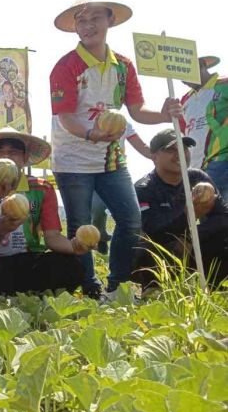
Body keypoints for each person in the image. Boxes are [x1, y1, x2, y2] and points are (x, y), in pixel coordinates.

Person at [50, 0, 183, 297]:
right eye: (81, 20)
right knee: (81, 228)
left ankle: (117, 285)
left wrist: (164, 114)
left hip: (112, 159)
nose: (88, 25)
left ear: (110, 19)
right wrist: (90, 134)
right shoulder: (65, 66)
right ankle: (90, 285)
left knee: (131, 220)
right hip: (72, 160)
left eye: (96, 17)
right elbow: (66, 117)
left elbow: (137, 110)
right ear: (75, 27)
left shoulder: (123, 66)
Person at [0, 128, 88, 295]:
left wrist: (75, 247)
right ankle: (27, 292)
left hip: (32, 259)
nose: (6, 157)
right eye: (0, 152)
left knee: (71, 266)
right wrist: (2, 229)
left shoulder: (42, 188)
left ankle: (23, 292)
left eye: (14, 152)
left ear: (24, 158)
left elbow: (52, 238)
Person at [133, 128, 228, 289]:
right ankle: (155, 291)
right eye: (171, 149)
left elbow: (223, 217)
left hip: (191, 245)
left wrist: (191, 236)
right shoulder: (144, 188)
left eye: (184, 148)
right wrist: (187, 214)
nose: (180, 154)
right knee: (146, 248)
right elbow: (152, 230)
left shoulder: (198, 178)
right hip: (162, 251)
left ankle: (215, 288)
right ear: (154, 156)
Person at [92, 122, 152, 254]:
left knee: (128, 215)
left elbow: (142, 146)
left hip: (117, 174)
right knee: (96, 207)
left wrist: (158, 155)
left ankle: (124, 255)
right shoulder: (88, 121)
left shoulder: (122, 123)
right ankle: (101, 236)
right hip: (94, 173)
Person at [180, 55, 228, 198]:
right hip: (197, 167)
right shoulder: (184, 100)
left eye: (186, 71)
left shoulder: (224, 84)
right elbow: (186, 132)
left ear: (202, 65)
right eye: (180, 75)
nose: (184, 80)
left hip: (222, 159)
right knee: (211, 217)